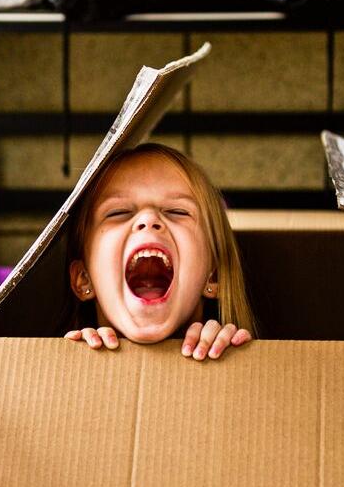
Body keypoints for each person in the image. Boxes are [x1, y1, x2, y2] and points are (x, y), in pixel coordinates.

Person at [63, 143, 257, 361]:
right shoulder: (68, 361)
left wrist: (236, 357)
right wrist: (77, 359)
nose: (149, 220)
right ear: (83, 279)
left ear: (214, 276)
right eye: (118, 212)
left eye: (178, 211)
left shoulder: (234, 351)